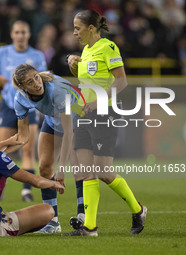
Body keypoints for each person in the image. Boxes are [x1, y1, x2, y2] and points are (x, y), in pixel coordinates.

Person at [63, 10, 147, 236]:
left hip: (104, 114)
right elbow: (86, 80)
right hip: (83, 113)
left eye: (77, 28)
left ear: (91, 28)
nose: (74, 32)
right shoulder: (86, 50)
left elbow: (122, 81)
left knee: (102, 170)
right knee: (86, 169)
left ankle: (138, 209)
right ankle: (90, 227)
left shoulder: (108, 47)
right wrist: (73, 64)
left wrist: (99, 101)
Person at [0, 20, 47, 202]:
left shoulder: (37, 55)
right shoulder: (3, 52)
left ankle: (26, 191)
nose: (20, 35)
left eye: (23, 32)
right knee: (3, 149)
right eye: (17, 32)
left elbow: (44, 79)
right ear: (12, 35)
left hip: (29, 106)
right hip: (8, 105)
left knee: (28, 150)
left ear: (28, 35)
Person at [7, 63, 84, 233]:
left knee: (79, 167)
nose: (36, 83)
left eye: (36, 77)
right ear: (22, 87)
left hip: (80, 119)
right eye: (30, 82)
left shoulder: (57, 90)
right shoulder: (20, 98)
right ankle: (52, 222)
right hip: (53, 120)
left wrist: (62, 168)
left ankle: (83, 217)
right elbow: (23, 136)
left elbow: (68, 133)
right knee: (44, 168)